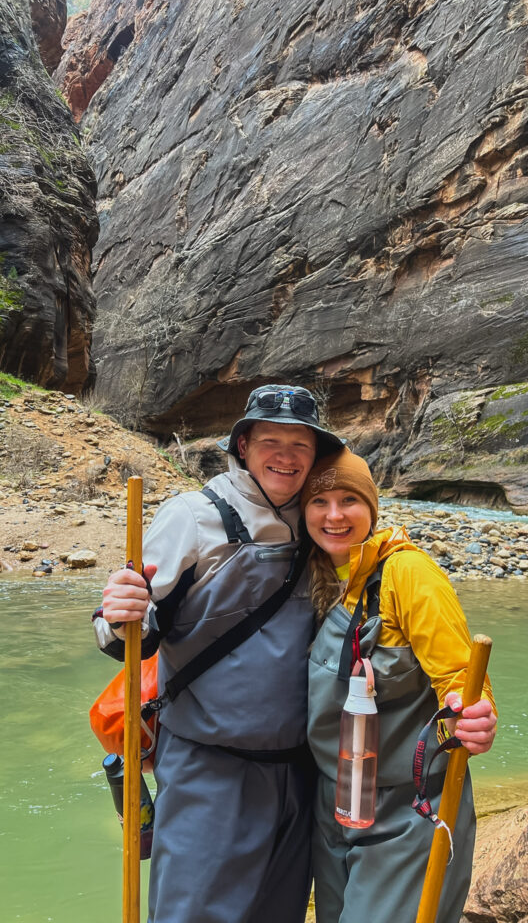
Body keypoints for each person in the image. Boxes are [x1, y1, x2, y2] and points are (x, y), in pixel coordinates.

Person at [93, 384, 344, 923]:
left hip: (300, 769)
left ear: (316, 456)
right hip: (209, 766)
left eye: (300, 445)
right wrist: (117, 611)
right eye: (270, 440)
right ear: (243, 445)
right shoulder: (193, 515)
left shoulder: (327, 521)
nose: (285, 456)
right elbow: (128, 635)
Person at [300, 447, 497, 923]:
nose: (334, 515)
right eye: (319, 502)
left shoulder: (408, 573)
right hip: (334, 802)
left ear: (372, 507)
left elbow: (462, 680)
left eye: (349, 499)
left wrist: (476, 717)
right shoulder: (313, 572)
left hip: (409, 809)